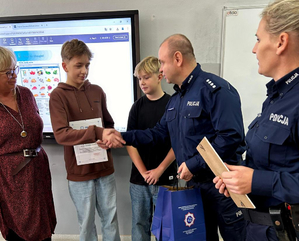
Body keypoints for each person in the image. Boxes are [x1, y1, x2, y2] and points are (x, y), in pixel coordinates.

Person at [100, 34, 247, 241]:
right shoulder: (177, 99)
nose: (160, 69)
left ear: (178, 58)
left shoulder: (216, 90)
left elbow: (231, 138)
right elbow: (158, 134)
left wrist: (193, 164)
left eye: (162, 62)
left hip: (224, 187)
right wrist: (121, 136)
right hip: (195, 187)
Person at [213, 0, 299, 240]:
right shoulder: (276, 97)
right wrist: (240, 177)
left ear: (281, 42)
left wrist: (256, 180)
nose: (254, 48)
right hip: (260, 228)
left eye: (259, 39)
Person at [49, 39, 120, 241]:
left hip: (105, 169)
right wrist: (97, 132)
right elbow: (61, 134)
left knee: (111, 220)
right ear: (65, 66)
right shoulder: (58, 96)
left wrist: (108, 136)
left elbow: (108, 124)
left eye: (87, 65)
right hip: (79, 173)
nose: (84, 71)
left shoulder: (97, 91)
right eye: (78, 65)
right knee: (87, 224)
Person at [0, 47, 56, 240]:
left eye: (15, 69)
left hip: (38, 171)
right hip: (10, 179)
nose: (14, 75)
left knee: (44, 228)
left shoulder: (26, 94)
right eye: (7, 72)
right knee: (19, 230)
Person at [127, 56, 177, 241]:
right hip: (139, 180)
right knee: (139, 224)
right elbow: (130, 143)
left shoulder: (173, 105)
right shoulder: (137, 107)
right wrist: (144, 172)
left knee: (166, 226)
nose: (142, 82)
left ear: (160, 76)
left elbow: (177, 143)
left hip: (165, 177)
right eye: (139, 78)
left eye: (146, 77)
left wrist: (159, 170)